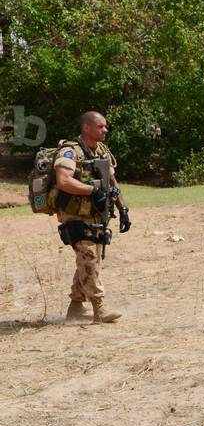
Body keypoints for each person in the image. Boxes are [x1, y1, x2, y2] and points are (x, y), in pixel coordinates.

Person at [54, 111, 131, 323]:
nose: (105, 130)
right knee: (89, 258)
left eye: (105, 126)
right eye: (101, 127)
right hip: (75, 215)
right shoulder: (70, 152)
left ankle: (76, 307)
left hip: (96, 214)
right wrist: (92, 191)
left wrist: (123, 209)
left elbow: (112, 182)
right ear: (87, 128)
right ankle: (100, 309)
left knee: (89, 259)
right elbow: (63, 181)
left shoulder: (101, 150)